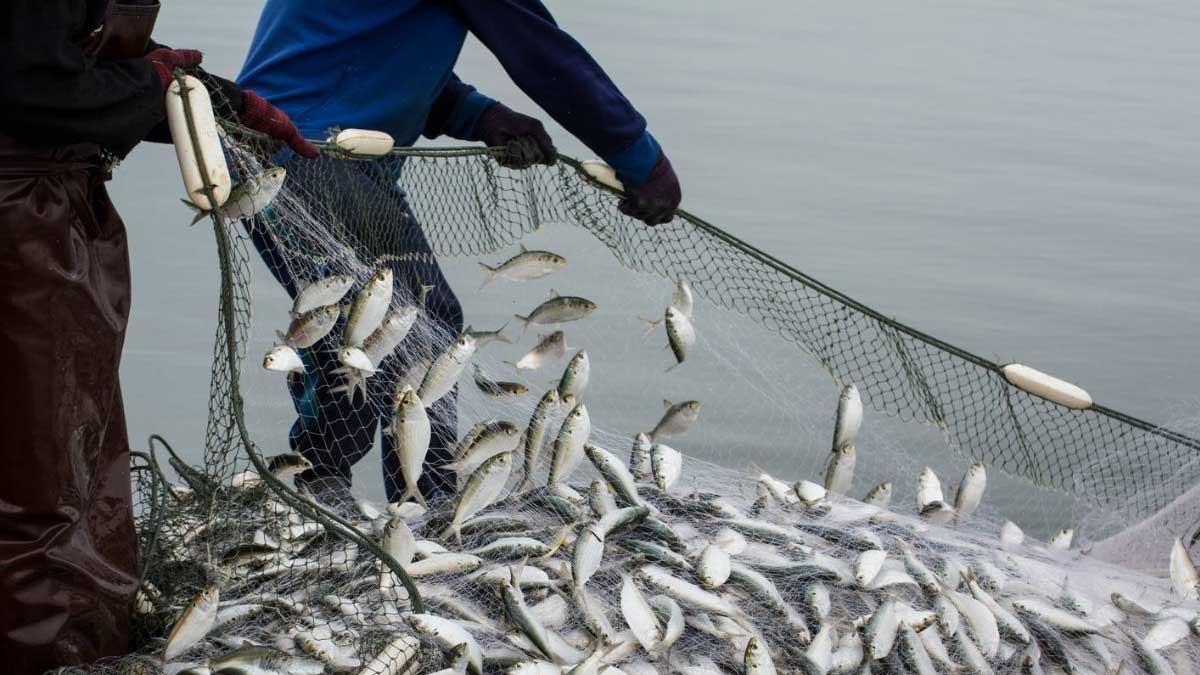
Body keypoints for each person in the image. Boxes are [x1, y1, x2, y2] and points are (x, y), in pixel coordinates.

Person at [237, 1, 683, 507]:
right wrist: (639, 155)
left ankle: (400, 499)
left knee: (404, 321)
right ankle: (373, 497)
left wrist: (481, 115)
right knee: (393, 323)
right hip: (303, 154)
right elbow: (541, 54)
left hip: (315, 149)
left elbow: (370, 49)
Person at [0, 2, 315, 671]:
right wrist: (156, 85)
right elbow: (31, 89)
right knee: (40, 482)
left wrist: (221, 101)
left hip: (45, 207)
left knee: (67, 452)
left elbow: (65, 54)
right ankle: (50, 658)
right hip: (18, 225)